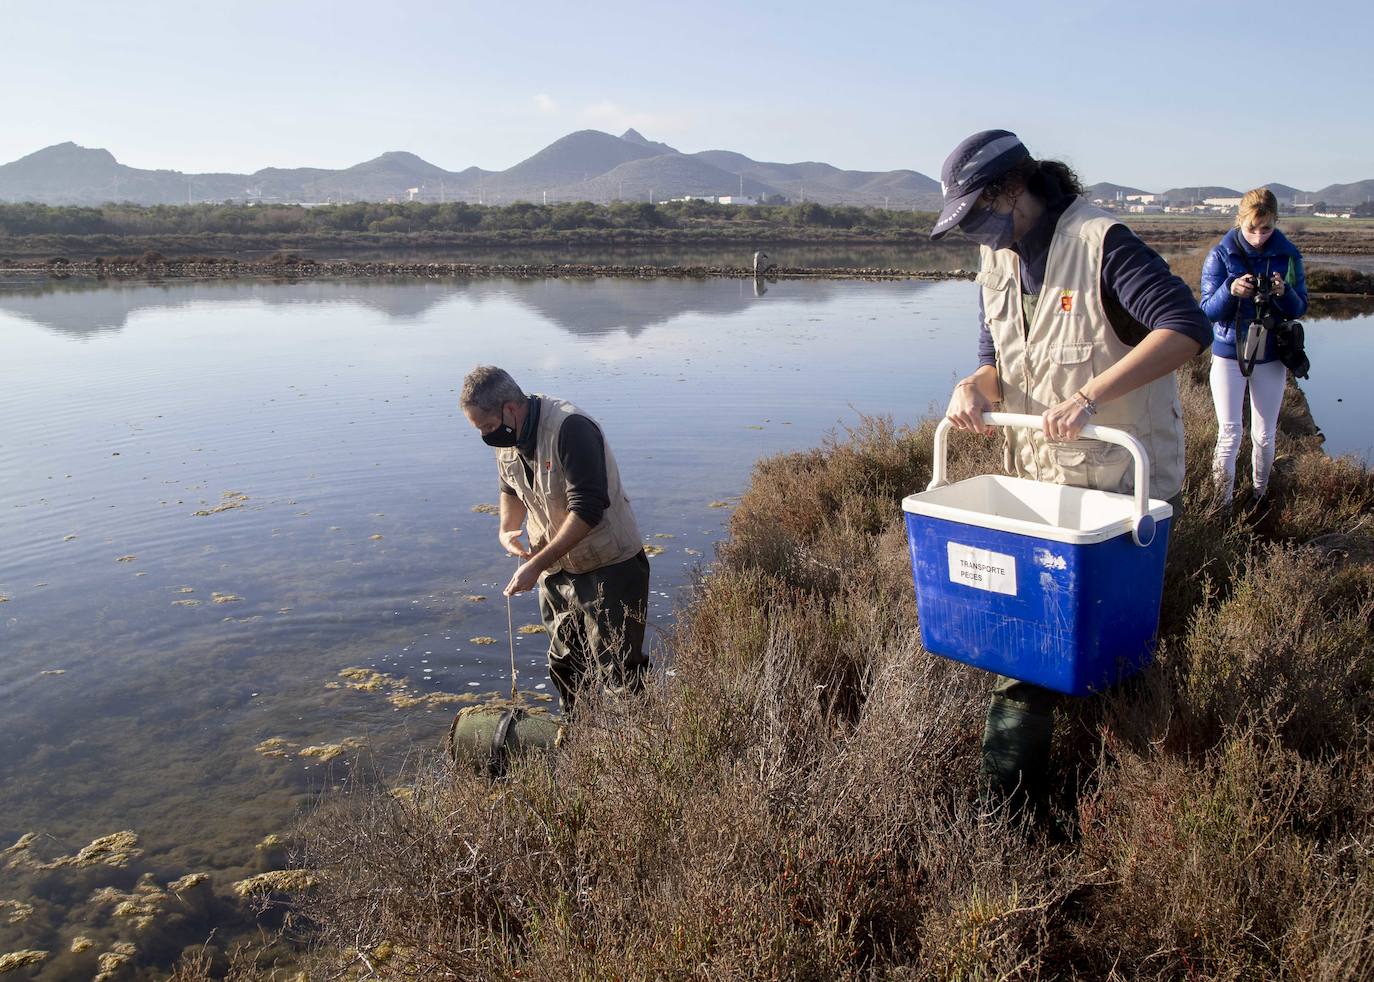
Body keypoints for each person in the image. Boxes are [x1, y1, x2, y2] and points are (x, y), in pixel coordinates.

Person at [931, 130, 1212, 819]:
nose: (979, 231)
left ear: (1013, 190)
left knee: (1035, 661)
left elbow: (1184, 326)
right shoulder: (994, 261)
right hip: (1038, 486)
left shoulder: (1100, 243)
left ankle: (1003, 815)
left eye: (979, 213)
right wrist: (973, 386)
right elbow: (996, 359)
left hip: (1118, 490)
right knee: (1069, 649)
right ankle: (1103, 786)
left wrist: (1089, 397)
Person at [460, 365, 650, 716]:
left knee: (619, 670)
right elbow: (509, 487)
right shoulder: (507, 435)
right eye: (480, 430)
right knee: (567, 665)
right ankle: (580, 744)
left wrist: (534, 565)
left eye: (487, 426)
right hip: (557, 571)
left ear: (510, 409)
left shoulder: (570, 428)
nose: (487, 436)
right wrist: (507, 529)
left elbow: (587, 511)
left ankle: (634, 753)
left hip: (610, 565)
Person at [1200, 187, 1308, 506]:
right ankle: (1222, 504)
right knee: (1230, 433)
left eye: (1266, 229)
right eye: (1251, 229)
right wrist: (1230, 290)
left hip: (1269, 353)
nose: (1259, 237)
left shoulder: (1288, 256)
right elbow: (1206, 310)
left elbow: (1299, 307)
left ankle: (1259, 495)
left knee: (1264, 434)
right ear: (1240, 221)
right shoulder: (1220, 255)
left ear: (1276, 222)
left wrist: (1283, 291)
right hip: (1229, 352)